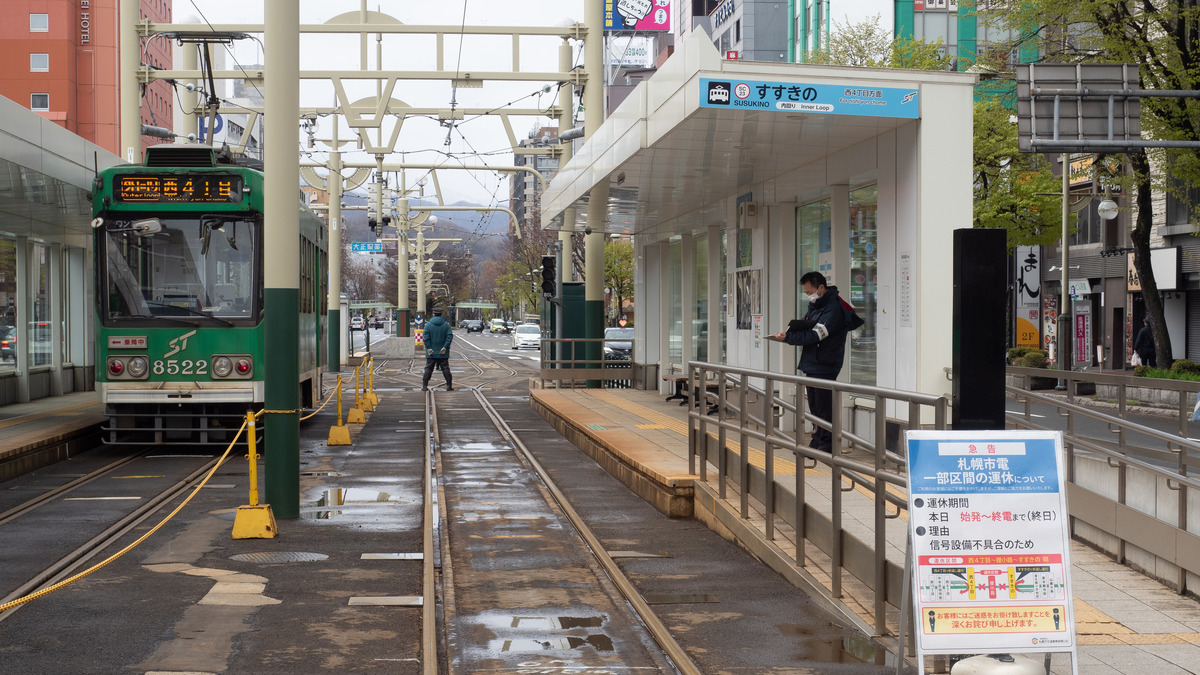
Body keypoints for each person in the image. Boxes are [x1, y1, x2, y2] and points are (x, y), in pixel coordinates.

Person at [774, 272, 864, 453]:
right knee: (815, 406)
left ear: (821, 288)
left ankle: (826, 445)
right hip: (813, 362)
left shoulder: (834, 308)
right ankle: (816, 442)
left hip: (825, 363)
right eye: (806, 293)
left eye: (810, 292)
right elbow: (808, 328)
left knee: (824, 408)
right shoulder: (817, 305)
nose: (809, 295)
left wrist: (789, 337)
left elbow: (817, 334)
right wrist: (789, 335)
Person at [421, 306, 454, 391]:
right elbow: (449, 337)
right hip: (443, 352)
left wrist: (428, 347)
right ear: (441, 314)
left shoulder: (428, 325)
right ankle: (449, 385)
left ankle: (425, 386)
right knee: (445, 368)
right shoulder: (446, 325)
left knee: (428, 368)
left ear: (433, 314)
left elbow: (425, 337)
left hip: (431, 352)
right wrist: (445, 347)